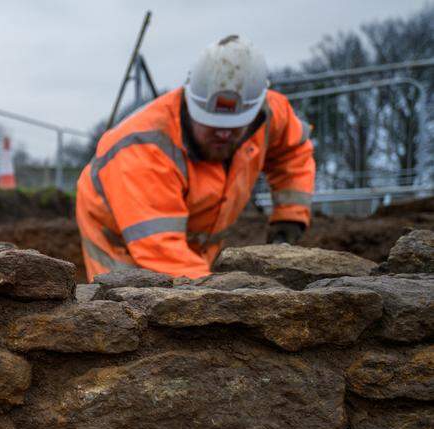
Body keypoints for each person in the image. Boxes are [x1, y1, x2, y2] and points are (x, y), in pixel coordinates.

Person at [75, 35, 316, 280]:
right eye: (212, 124)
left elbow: (294, 153)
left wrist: (290, 217)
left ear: (255, 113)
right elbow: (163, 252)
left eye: (235, 127)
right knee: (130, 300)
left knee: (196, 287)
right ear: (190, 104)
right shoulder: (143, 149)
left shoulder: (271, 113)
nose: (223, 133)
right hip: (122, 237)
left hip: (194, 232)